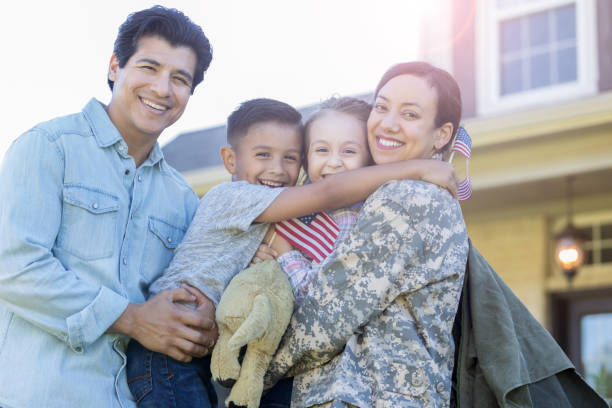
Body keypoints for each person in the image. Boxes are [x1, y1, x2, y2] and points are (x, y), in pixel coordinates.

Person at [129, 96, 459, 408]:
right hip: (168, 340)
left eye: (289, 158)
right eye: (263, 155)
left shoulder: (289, 221)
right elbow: (328, 192)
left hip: (197, 349)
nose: (277, 169)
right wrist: (417, 168)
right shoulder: (234, 197)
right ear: (231, 159)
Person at [0, 6, 215, 408]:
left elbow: (186, 293)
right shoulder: (48, 147)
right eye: (149, 67)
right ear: (116, 66)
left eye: (180, 79)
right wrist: (131, 318)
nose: (163, 89)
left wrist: (204, 323)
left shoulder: (184, 200)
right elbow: (14, 267)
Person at [264, 62, 470, 407]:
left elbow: (324, 319)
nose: (388, 123)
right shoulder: (385, 193)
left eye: (409, 114)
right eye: (381, 107)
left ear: (442, 134)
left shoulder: (408, 198)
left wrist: (249, 371)